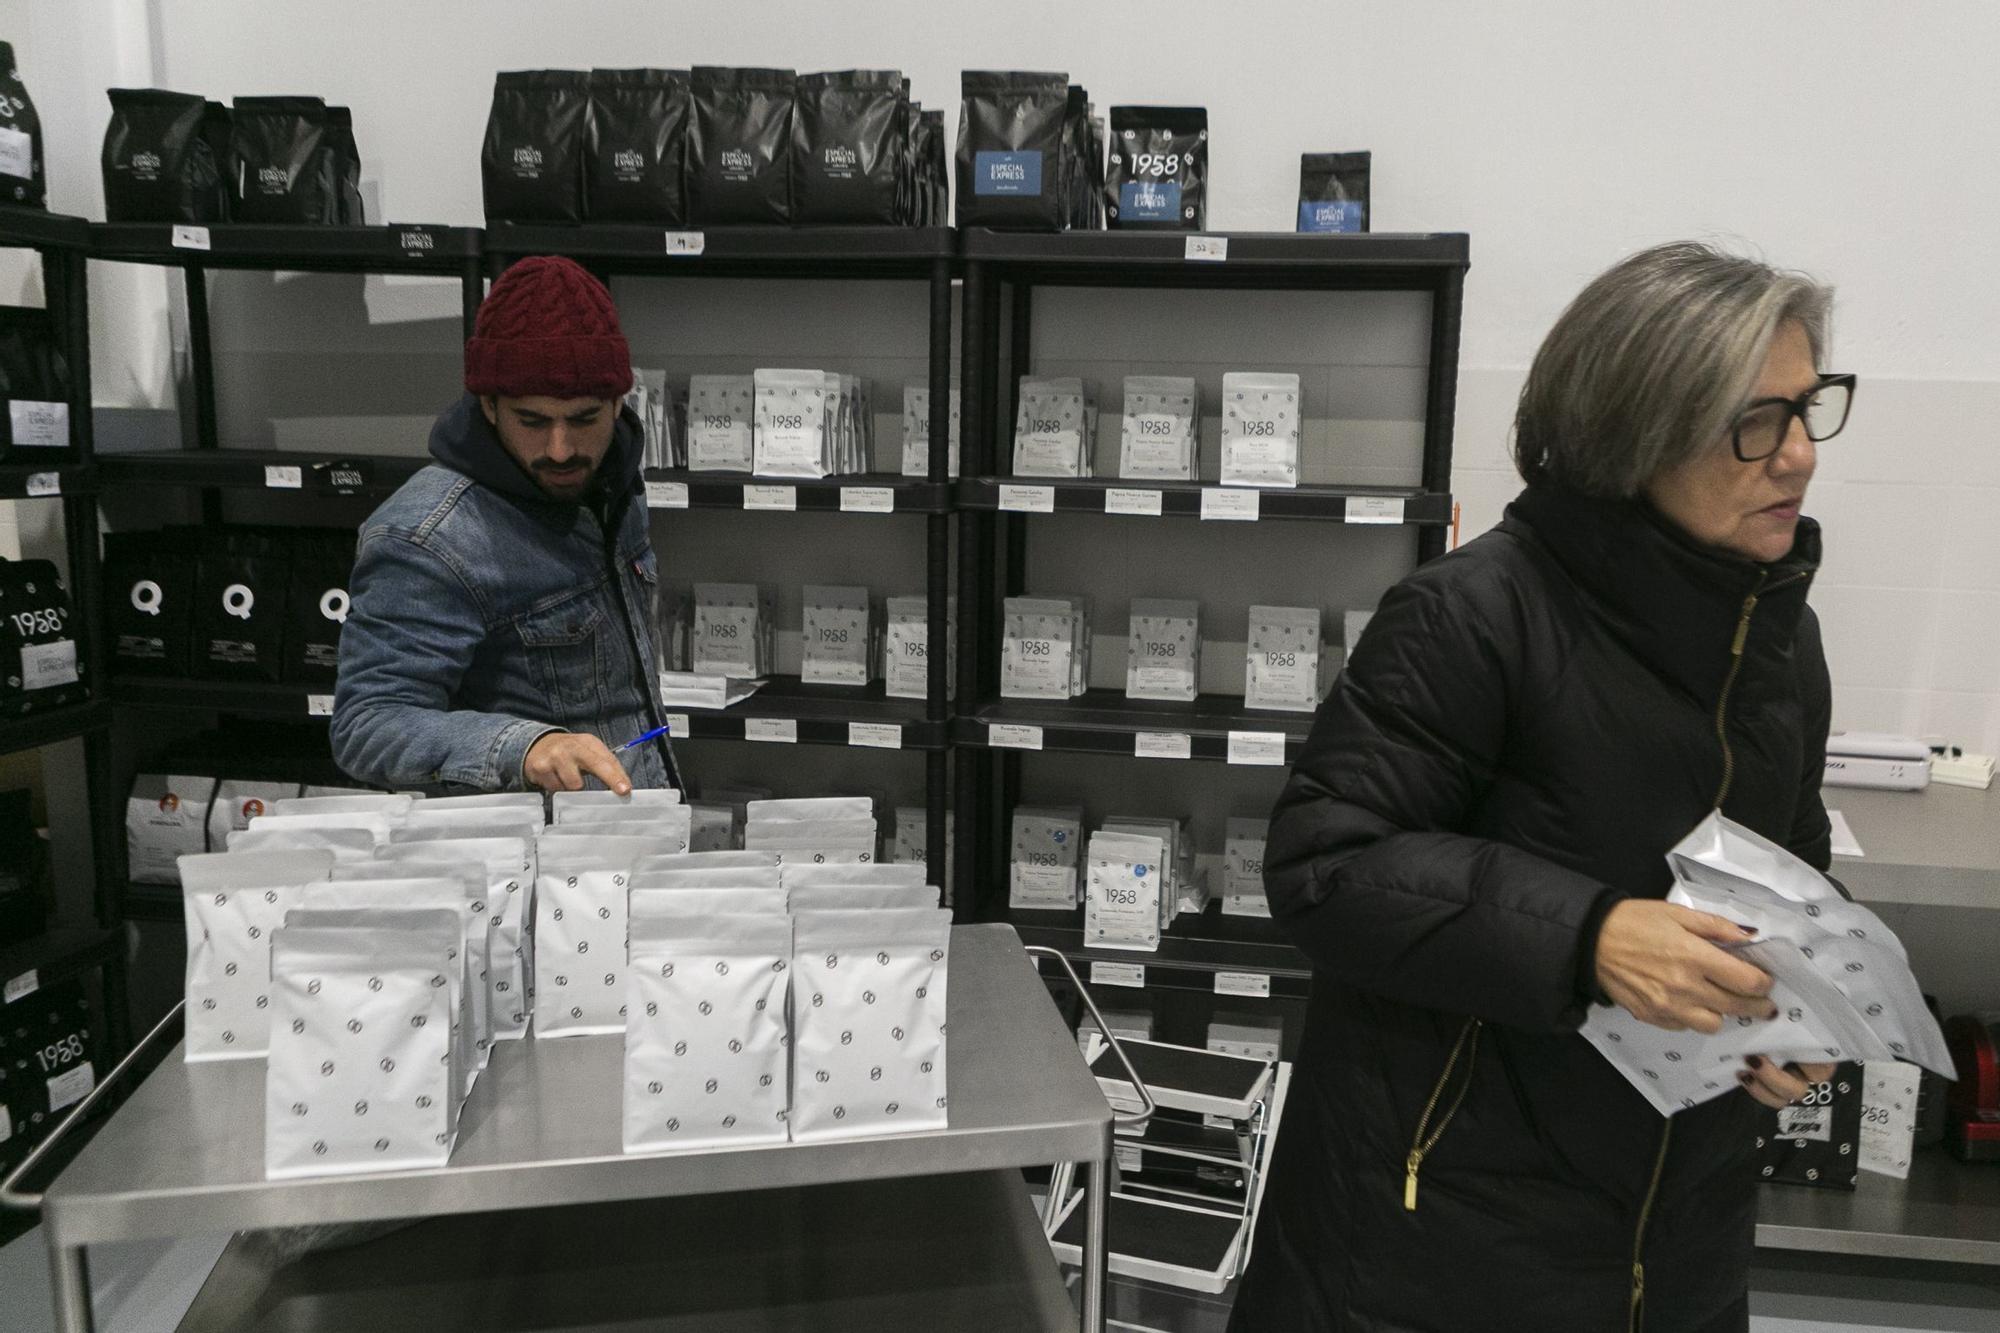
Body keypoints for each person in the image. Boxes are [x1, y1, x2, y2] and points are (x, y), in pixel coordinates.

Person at [1229, 242, 1856, 1333]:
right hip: (1442, 1242)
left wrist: (1806, 1002)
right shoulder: (1471, 614)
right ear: (1636, 431)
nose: (1797, 455)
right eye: (1756, 421)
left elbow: (1793, 864)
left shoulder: (1776, 636)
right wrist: (1589, 935)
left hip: (1680, 1235)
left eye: (1809, 408)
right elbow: (1324, 864)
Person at [332, 255, 681, 797]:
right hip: (523, 863)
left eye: (585, 419)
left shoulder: (612, 486)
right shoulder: (427, 536)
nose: (561, 450)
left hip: (627, 831)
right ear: (489, 406)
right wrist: (525, 748)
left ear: (618, 403)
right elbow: (369, 725)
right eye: (533, 421)